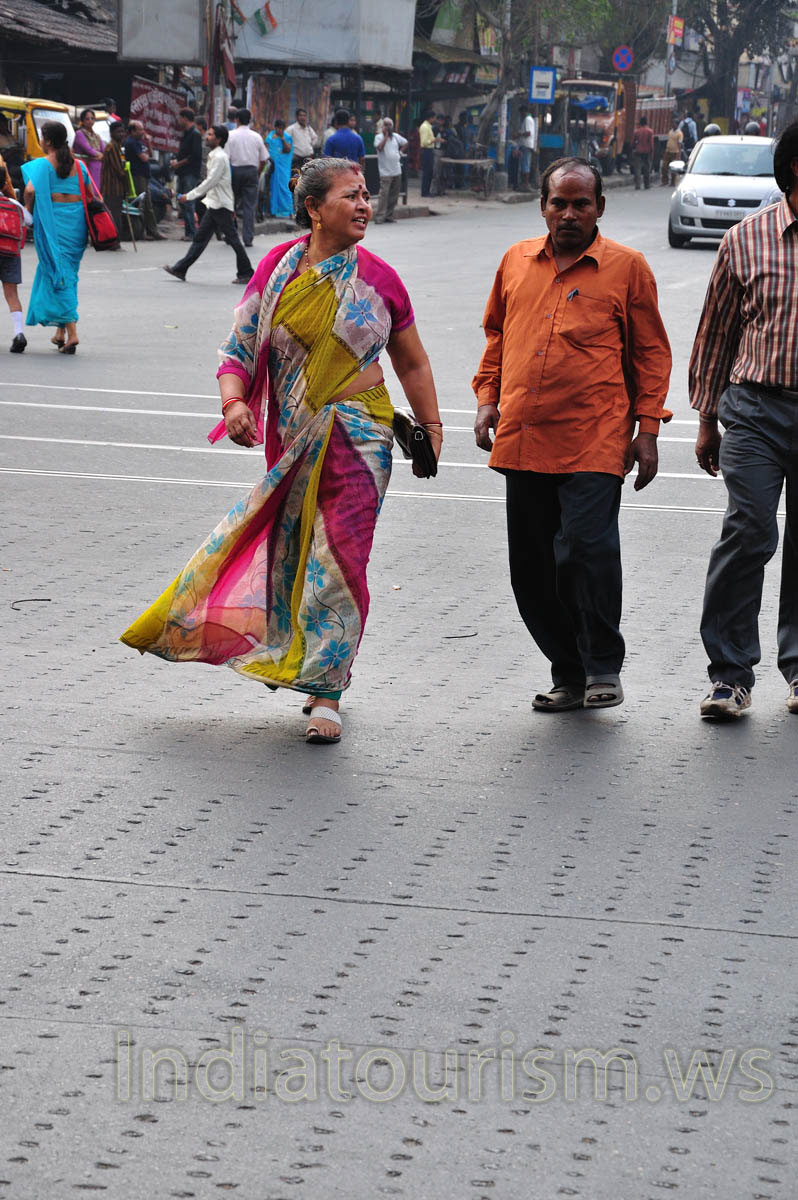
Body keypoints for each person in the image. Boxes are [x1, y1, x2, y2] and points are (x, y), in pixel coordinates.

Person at [121, 157, 443, 744]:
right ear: (314, 209)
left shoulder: (380, 280)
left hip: (361, 435)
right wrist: (233, 404)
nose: (365, 205)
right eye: (351, 196)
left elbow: (413, 362)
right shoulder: (276, 270)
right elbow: (238, 349)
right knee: (295, 555)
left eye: (366, 195)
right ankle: (301, 656)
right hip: (293, 437)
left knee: (340, 559)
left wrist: (432, 427)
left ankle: (327, 691)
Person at [472, 156, 672, 712]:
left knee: (586, 551)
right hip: (524, 434)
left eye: (580, 204)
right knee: (531, 568)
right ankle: (569, 671)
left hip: (595, 436)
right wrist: (487, 399)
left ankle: (602, 664)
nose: (568, 214)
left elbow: (651, 354)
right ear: (542, 207)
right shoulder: (515, 261)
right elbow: (497, 336)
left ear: (599, 208)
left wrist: (648, 430)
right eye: (558, 203)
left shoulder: (627, 268)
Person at [690, 121, 798, 720]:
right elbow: (716, 335)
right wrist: (707, 418)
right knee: (750, 528)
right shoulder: (745, 240)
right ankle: (730, 675)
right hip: (756, 410)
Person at [21, 120, 90, 354]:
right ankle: (60, 333)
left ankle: (73, 333)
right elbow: (89, 192)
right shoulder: (79, 165)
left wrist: (28, 210)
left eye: (42, 137)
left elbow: (30, 190)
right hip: (76, 225)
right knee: (67, 273)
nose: (40, 141)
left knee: (59, 274)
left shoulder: (44, 164)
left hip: (55, 225)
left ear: (48, 141)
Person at [163, 124, 253, 286]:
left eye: (211, 135)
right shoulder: (215, 155)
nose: (207, 137)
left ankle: (246, 272)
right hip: (216, 204)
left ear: (219, 139)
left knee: (231, 239)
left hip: (220, 205)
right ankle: (180, 269)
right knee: (201, 238)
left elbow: (210, 182)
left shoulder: (219, 157)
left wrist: (189, 196)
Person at [0, 163, 33, 352]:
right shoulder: (13, 204)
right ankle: (18, 332)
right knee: (12, 294)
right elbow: (29, 220)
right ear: (5, 183)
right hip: (10, 253)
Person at [225, 107, 269, 247]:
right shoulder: (256, 136)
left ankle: (230, 235)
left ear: (236, 120)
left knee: (231, 203)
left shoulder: (230, 135)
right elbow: (264, 159)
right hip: (251, 171)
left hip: (235, 171)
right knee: (249, 206)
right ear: (249, 120)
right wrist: (258, 172)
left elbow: (226, 158)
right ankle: (248, 238)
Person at [123, 120, 165, 240]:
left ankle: (151, 230)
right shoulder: (131, 142)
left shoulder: (139, 142)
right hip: (137, 176)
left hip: (144, 176)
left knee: (147, 204)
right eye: (140, 130)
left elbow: (150, 154)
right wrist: (145, 152)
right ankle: (147, 231)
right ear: (133, 131)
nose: (143, 132)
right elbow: (144, 158)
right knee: (143, 203)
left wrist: (148, 142)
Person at [170, 109, 203, 239]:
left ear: (185, 118)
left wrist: (178, 164)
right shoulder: (186, 134)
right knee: (182, 201)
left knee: (188, 202)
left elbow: (194, 156)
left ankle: (191, 233)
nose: (179, 121)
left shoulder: (195, 134)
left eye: (180, 118)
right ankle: (189, 232)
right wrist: (176, 162)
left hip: (190, 174)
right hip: (183, 173)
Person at [374, 118, 407, 223]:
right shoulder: (378, 137)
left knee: (394, 195)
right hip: (385, 172)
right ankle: (380, 216)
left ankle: (389, 215)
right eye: (386, 125)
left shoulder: (396, 137)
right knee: (384, 195)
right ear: (382, 126)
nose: (388, 127)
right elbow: (379, 148)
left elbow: (405, 143)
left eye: (389, 125)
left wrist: (400, 152)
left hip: (396, 170)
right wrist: (386, 137)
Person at [100, 121, 127, 239]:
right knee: (114, 215)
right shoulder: (112, 147)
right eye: (118, 132)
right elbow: (119, 170)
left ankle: (114, 239)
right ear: (111, 133)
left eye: (122, 132)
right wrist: (127, 183)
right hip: (112, 188)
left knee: (115, 214)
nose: (121, 134)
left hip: (116, 188)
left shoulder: (118, 146)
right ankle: (113, 239)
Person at [265, 119, 293, 218]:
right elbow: (267, 151)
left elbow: (288, 150)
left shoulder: (287, 137)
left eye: (282, 128)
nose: (280, 130)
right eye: (278, 128)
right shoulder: (270, 138)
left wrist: (282, 139)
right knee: (272, 188)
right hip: (273, 167)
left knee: (285, 188)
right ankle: (274, 211)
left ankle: (288, 211)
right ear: (275, 128)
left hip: (283, 167)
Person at [72, 108, 105, 192]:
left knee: (98, 190)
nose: (90, 121)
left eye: (92, 118)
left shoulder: (97, 136)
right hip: (86, 166)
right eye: (87, 119)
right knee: (89, 190)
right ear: (82, 121)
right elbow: (88, 150)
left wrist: (102, 155)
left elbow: (103, 149)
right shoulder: (79, 133)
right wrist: (99, 155)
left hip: (98, 165)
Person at [517, 104, 538, 191]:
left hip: (526, 145)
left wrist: (519, 134)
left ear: (524, 112)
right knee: (525, 164)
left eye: (521, 113)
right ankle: (524, 184)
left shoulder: (527, 119)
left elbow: (528, 133)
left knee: (525, 165)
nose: (521, 115)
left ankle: (525, 185)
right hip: (527, 145)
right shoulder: (529, 119)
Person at [631, 115, 654, 190]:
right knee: (647, 168)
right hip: (647, 152)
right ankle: (647, 185)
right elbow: (651, 144)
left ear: (640, 123)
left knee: (637, 169)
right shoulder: (650, 131)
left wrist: (633, 149)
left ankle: (638, 185)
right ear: (646, 122)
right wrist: (652, 153)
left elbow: (633, 143)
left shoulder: (637, 131)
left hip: (638, 151)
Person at [660, 116, 684, 185]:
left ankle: (673, 182)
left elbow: (679, 144)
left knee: (673, 168)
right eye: (672, 123)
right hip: (668, 151)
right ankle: (665, 181)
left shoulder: (679, 133)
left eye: (674, 123)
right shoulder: (670, 131)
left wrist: (679, 154)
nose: (673, 124)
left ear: (677, 124)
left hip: (675, 152)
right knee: (664, 167)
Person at [419, 110, 436, 197]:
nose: (434, 120)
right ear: (431, 118)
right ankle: (425, 192)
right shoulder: (425, 127)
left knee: (429, 172)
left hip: (429, 150)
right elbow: (424, 142)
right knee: (427, 172)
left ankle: (427, 191)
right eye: (434, 118)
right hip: (426, 150)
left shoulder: (428, 126)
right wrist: (433, 140)